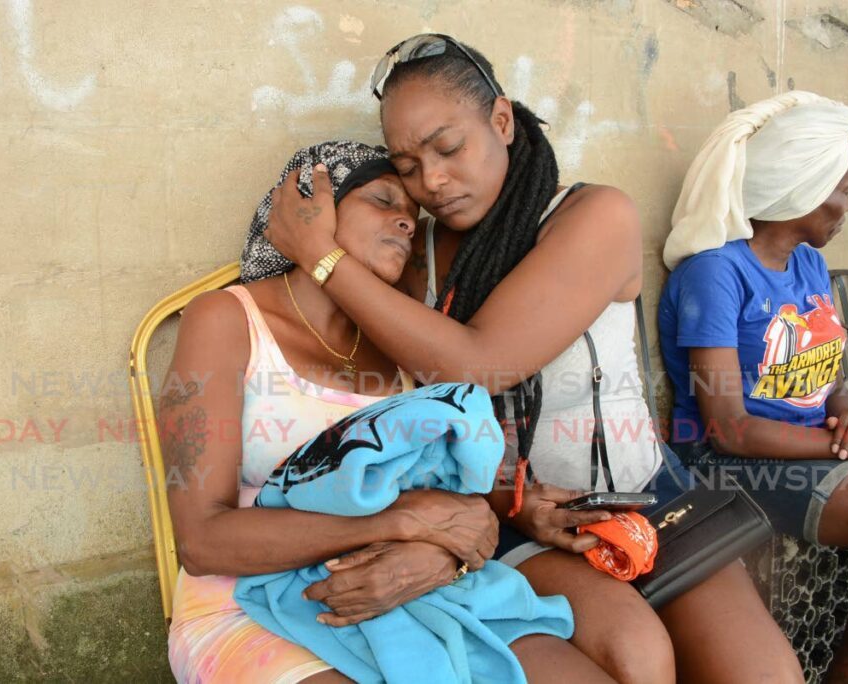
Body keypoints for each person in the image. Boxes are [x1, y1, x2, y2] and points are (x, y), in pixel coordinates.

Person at [263, 35, 803, 684]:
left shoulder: (594, 214)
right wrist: (505, 504)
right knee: (633, 659)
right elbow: (411, 403)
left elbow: (480, 363)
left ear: (501, 121)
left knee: (764, 675)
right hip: (518, 520)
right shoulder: (420, 254)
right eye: (406, 166)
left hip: (647, 498)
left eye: (449, 147)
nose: (431, 181)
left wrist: (322, 258)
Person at [162, 141, 614, 683]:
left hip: (410, 584)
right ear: (312, 208)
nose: (405, 222)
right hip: (244, 600)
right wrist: (400, 522)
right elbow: (202, 541)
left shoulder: (400, 344)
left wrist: (450, 551)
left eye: (412, 215)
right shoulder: (227, 319)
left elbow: (460, 509)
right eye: (383, 200)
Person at [659, 90, 848, 682]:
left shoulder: (806, 263)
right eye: (843, 190)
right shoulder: (716, 272)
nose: (847, 205)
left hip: (811, 448)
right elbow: (728, 428)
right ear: (801, 191)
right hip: (732, 467)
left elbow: (828, 374)